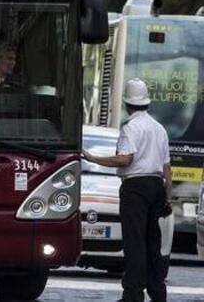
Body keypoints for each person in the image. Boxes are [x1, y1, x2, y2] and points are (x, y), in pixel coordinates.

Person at [83, 78, 172, 302]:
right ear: (146, 103)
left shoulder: (130, 127)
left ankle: (133, 294)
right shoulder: (159, 128)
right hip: (156, 187)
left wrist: (94, 159)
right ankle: (158, 293)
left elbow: (125, 159)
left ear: (127, 104)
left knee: (135, 243)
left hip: (135, 188)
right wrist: (168, 199)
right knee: (152, 244)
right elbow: (167, 169)